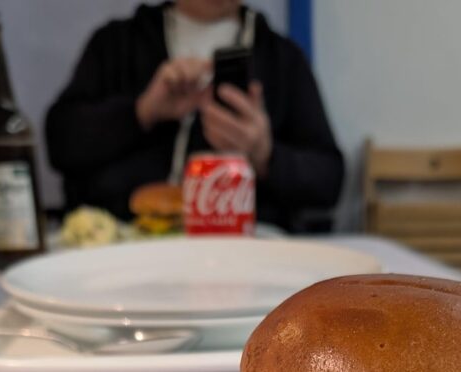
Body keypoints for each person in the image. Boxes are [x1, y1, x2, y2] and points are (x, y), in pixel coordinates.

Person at [45, 0, 344, 231]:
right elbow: (60, 144)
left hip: (250, 250)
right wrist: (142, 112)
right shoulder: (116, 43)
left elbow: (329, 179)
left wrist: (264, 155)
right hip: (121, 246)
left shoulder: (281, 56)